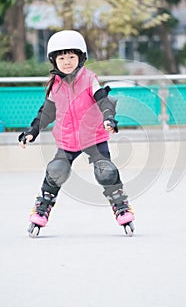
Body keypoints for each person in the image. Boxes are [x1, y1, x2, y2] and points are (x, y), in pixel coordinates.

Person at [18, 30, 135, 237]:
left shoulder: (89, 79)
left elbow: (103, 100)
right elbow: (46, 112)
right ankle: (42, 208)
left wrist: (109, 118)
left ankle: (121, 205)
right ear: (54, 61)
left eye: (72, 57)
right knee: (57, 169)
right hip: (68, 140)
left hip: (93, 137)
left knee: (105, 171)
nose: (67, 61)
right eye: (61, 58)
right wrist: (32, 131)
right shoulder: (55, 86)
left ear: (81, 58)